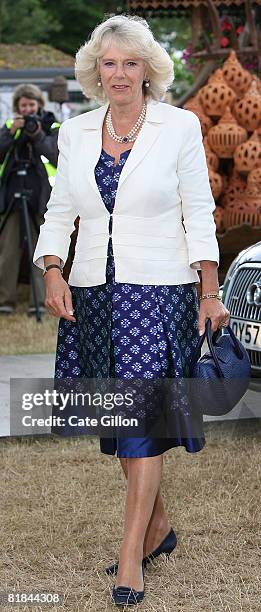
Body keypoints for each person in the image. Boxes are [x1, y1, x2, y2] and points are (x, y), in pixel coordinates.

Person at [33, 15, 230, 607]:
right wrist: (50, 268)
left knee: (141, 417)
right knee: (119, 418)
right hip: (93, 291)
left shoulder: (179, 127)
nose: (119, 73)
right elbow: (60, 208)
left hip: (158, 288)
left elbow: (199, 209)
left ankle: (130, 557)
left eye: (131, 62)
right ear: (97, 71)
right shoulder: (75, 132)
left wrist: (210, 287)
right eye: (110, 63)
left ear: (149, 69)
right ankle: (160, 527)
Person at [0, 83, 59, 315]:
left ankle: (40, 301)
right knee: (8, 250)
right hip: (12, 195)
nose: (27, 110)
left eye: (31, 105)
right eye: (23, 105)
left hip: (42, 196)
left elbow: (55, 154)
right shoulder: (9, 126)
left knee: (41, 249)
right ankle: (6, 300)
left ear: (39, 105)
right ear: (17, 107)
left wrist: (37, 134)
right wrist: (10, 132)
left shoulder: (50, 126)